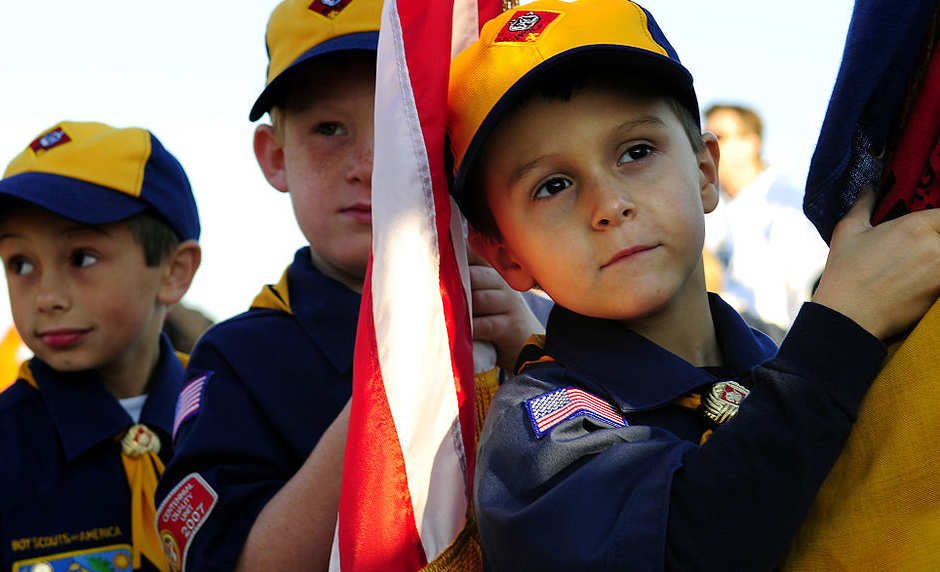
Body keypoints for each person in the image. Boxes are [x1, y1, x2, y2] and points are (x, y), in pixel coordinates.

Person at [444, 1, 940, 569]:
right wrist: (844, 327)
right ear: (506, 254)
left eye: (636, 152)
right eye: (553, 185)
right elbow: (690, 545)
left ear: (706, 174)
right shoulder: (538, 427)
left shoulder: (772, 358)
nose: (609, 205)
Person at [154, 1, 542, 570]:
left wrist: (537, 353)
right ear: (275, 157)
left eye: (403, 120)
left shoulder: (540, 310)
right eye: (329, 129)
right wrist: (391, 385)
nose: (369, 164)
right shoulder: (239, 357)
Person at [0, 121, 202, 571]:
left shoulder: (232, 417)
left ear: (174, 271)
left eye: (82, 258)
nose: (47, 297)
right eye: (20, 264)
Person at [703, 103, 829, 334]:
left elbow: (817, 286)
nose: (706, 150)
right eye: (701, 142)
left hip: (776, 338)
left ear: (752, 143)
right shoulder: (706, 206)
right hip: (724, 330)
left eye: (719, 137)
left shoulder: (788, 203)